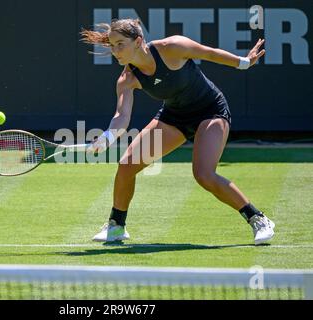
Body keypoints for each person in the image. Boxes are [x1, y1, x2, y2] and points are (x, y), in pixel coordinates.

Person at [80, 18, 274, 245]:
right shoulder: (127, 78)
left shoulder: (172, 47)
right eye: (112, 45)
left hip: (210, 111)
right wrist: (108, 137)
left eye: (120, 44)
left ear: (138, 41)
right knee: (127, 165)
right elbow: (121, 116)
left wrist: (244, 62)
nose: (115, 51)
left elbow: (210, 53)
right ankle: (116, 226)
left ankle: (257, 218)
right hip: (174, 116)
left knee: (204, 174)